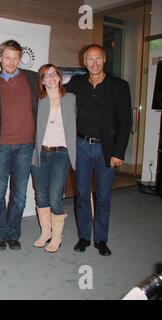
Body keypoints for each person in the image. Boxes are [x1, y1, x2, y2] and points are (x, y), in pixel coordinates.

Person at [65, 44, 132, 256]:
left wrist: (119, 153)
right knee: (83, 195)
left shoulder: (119, 86)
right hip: (82, 147)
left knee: (103, 197)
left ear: (104, 60)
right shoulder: (75, 83)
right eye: (90, 59)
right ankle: (84, 237)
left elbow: (125, 122)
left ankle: (101, 239)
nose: (94, 63)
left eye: (98, 59)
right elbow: (58, 101)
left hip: (107, 149)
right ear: (83, 62)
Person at [0, 40, 39, 251]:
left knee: (19, 194)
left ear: (20, 58)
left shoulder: (33, 78)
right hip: (1, 146)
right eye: (7, 57)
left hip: (26, 146)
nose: (11, 62)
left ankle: (13, 234)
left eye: (15, 57)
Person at [30, 64, 76, 253]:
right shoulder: (38, 100)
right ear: (41, 81)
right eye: (45, 76)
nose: (50, 78)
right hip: (40, 153)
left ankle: (57, 237)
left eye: (53, 74)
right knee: (40, 195)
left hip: (61, 154)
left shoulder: (70, 98)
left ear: (59, 77)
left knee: (55, 196)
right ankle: (45, 233)